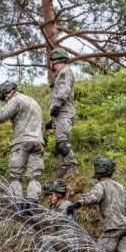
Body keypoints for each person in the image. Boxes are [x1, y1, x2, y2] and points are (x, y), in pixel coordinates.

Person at [68, 157, 126, 252]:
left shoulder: (101, 185)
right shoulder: (121, 187)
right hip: (124, 227)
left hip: (113, 227)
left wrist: (78, 203)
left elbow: (93, 197)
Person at [45, 49, 79, 178]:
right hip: (61, 114)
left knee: (62, 142)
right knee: (60, 143)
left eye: (52, 61)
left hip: (64, 112)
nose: (51, 64)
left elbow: (64, 90)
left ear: (56, 60)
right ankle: (63, 168)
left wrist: (57, 104)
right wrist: (53, 121)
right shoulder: (62, 73)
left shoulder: (65, 72)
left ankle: (72, 166)